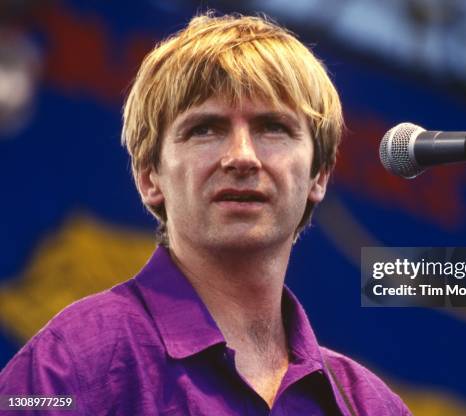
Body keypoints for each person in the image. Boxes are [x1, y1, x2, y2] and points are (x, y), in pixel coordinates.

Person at [0, 13, 411, 415]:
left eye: (272, 128)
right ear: (149, 177)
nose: (242, 158)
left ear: (318, 176)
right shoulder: (73, 360)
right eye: (206, 129)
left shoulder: (370, 405)